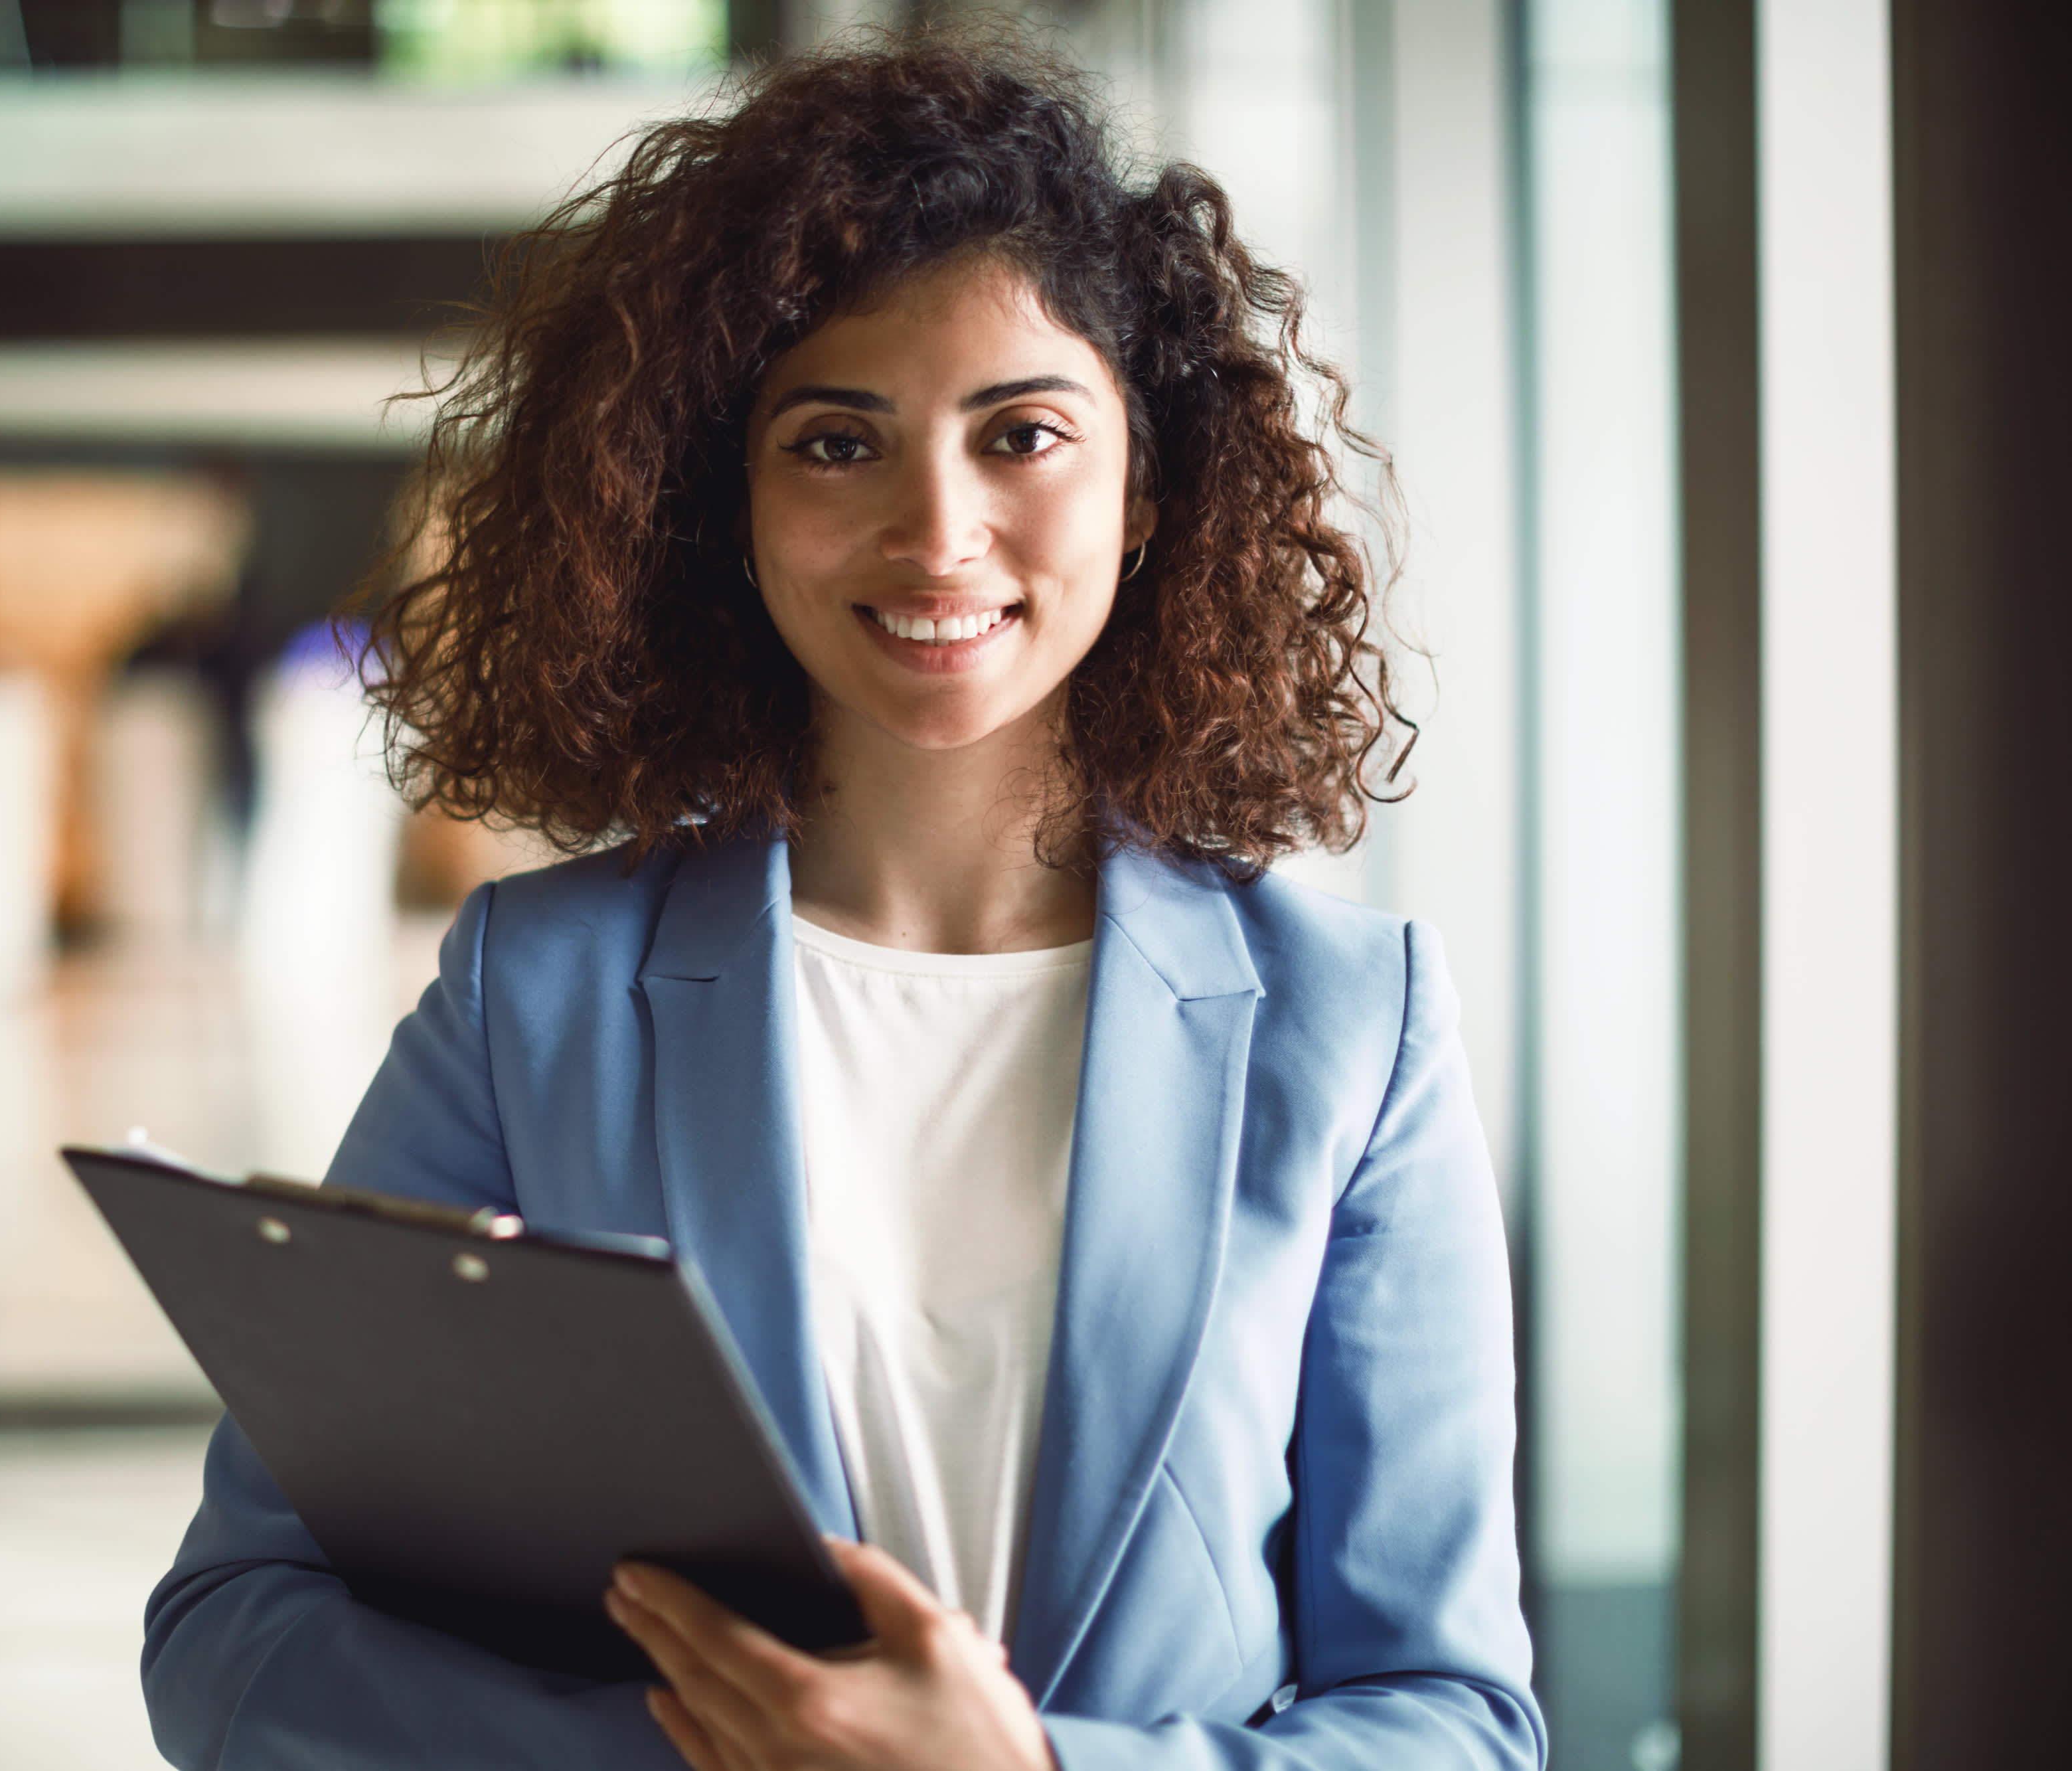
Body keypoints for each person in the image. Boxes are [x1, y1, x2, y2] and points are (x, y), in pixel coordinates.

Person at [144, 35, 1542, 1771]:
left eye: (1022, 432)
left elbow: (1458, 1721)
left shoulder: (1354, 1031)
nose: (937, 531)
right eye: (835, 443)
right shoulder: (542, 994)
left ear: (1149, 482)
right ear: (723, 509)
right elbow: (234, 1636)